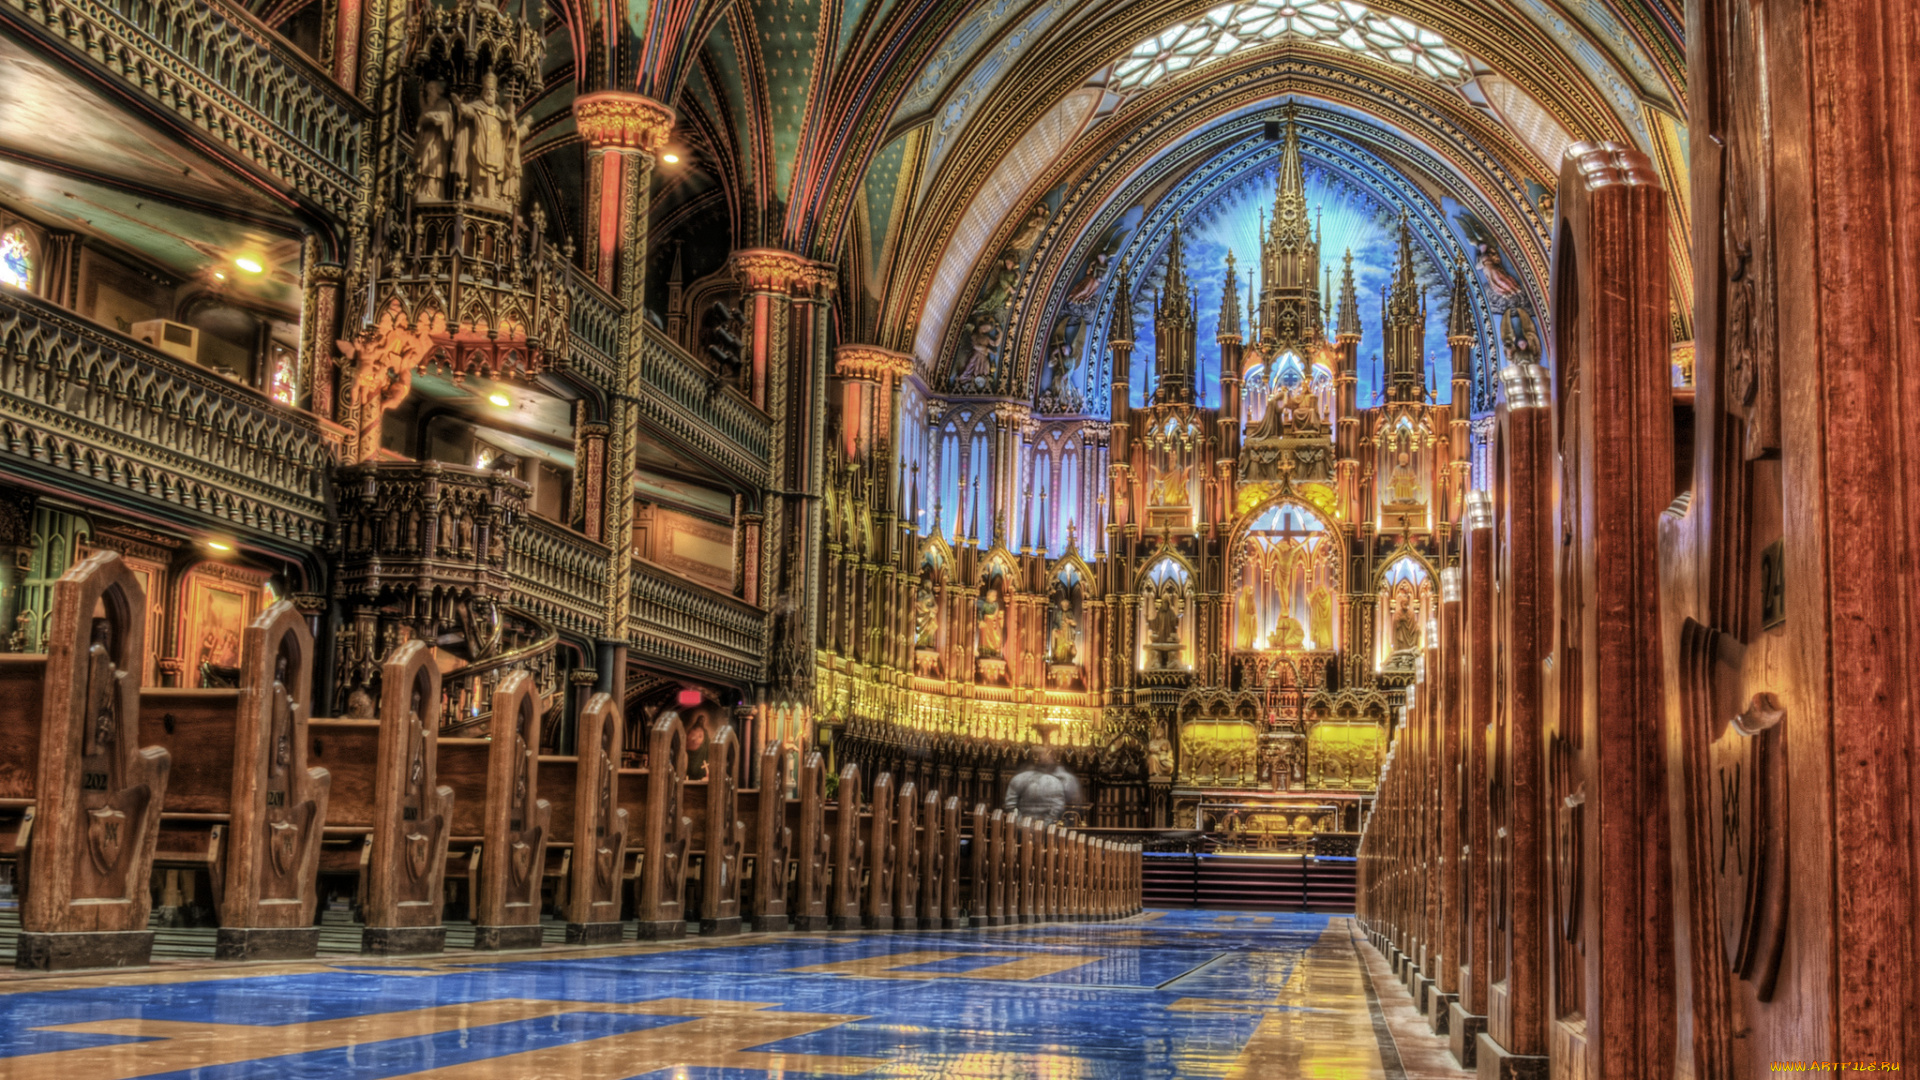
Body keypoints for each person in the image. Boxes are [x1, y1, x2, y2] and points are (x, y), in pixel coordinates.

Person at [1002, 746, 1082, 824]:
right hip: (1046, 827)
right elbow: (1057, 807)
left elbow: (1010, 805)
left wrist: (1021, 823)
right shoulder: (1054, 781)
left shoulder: (1018, 778)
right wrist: (1045, 824)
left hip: (1022, 826)